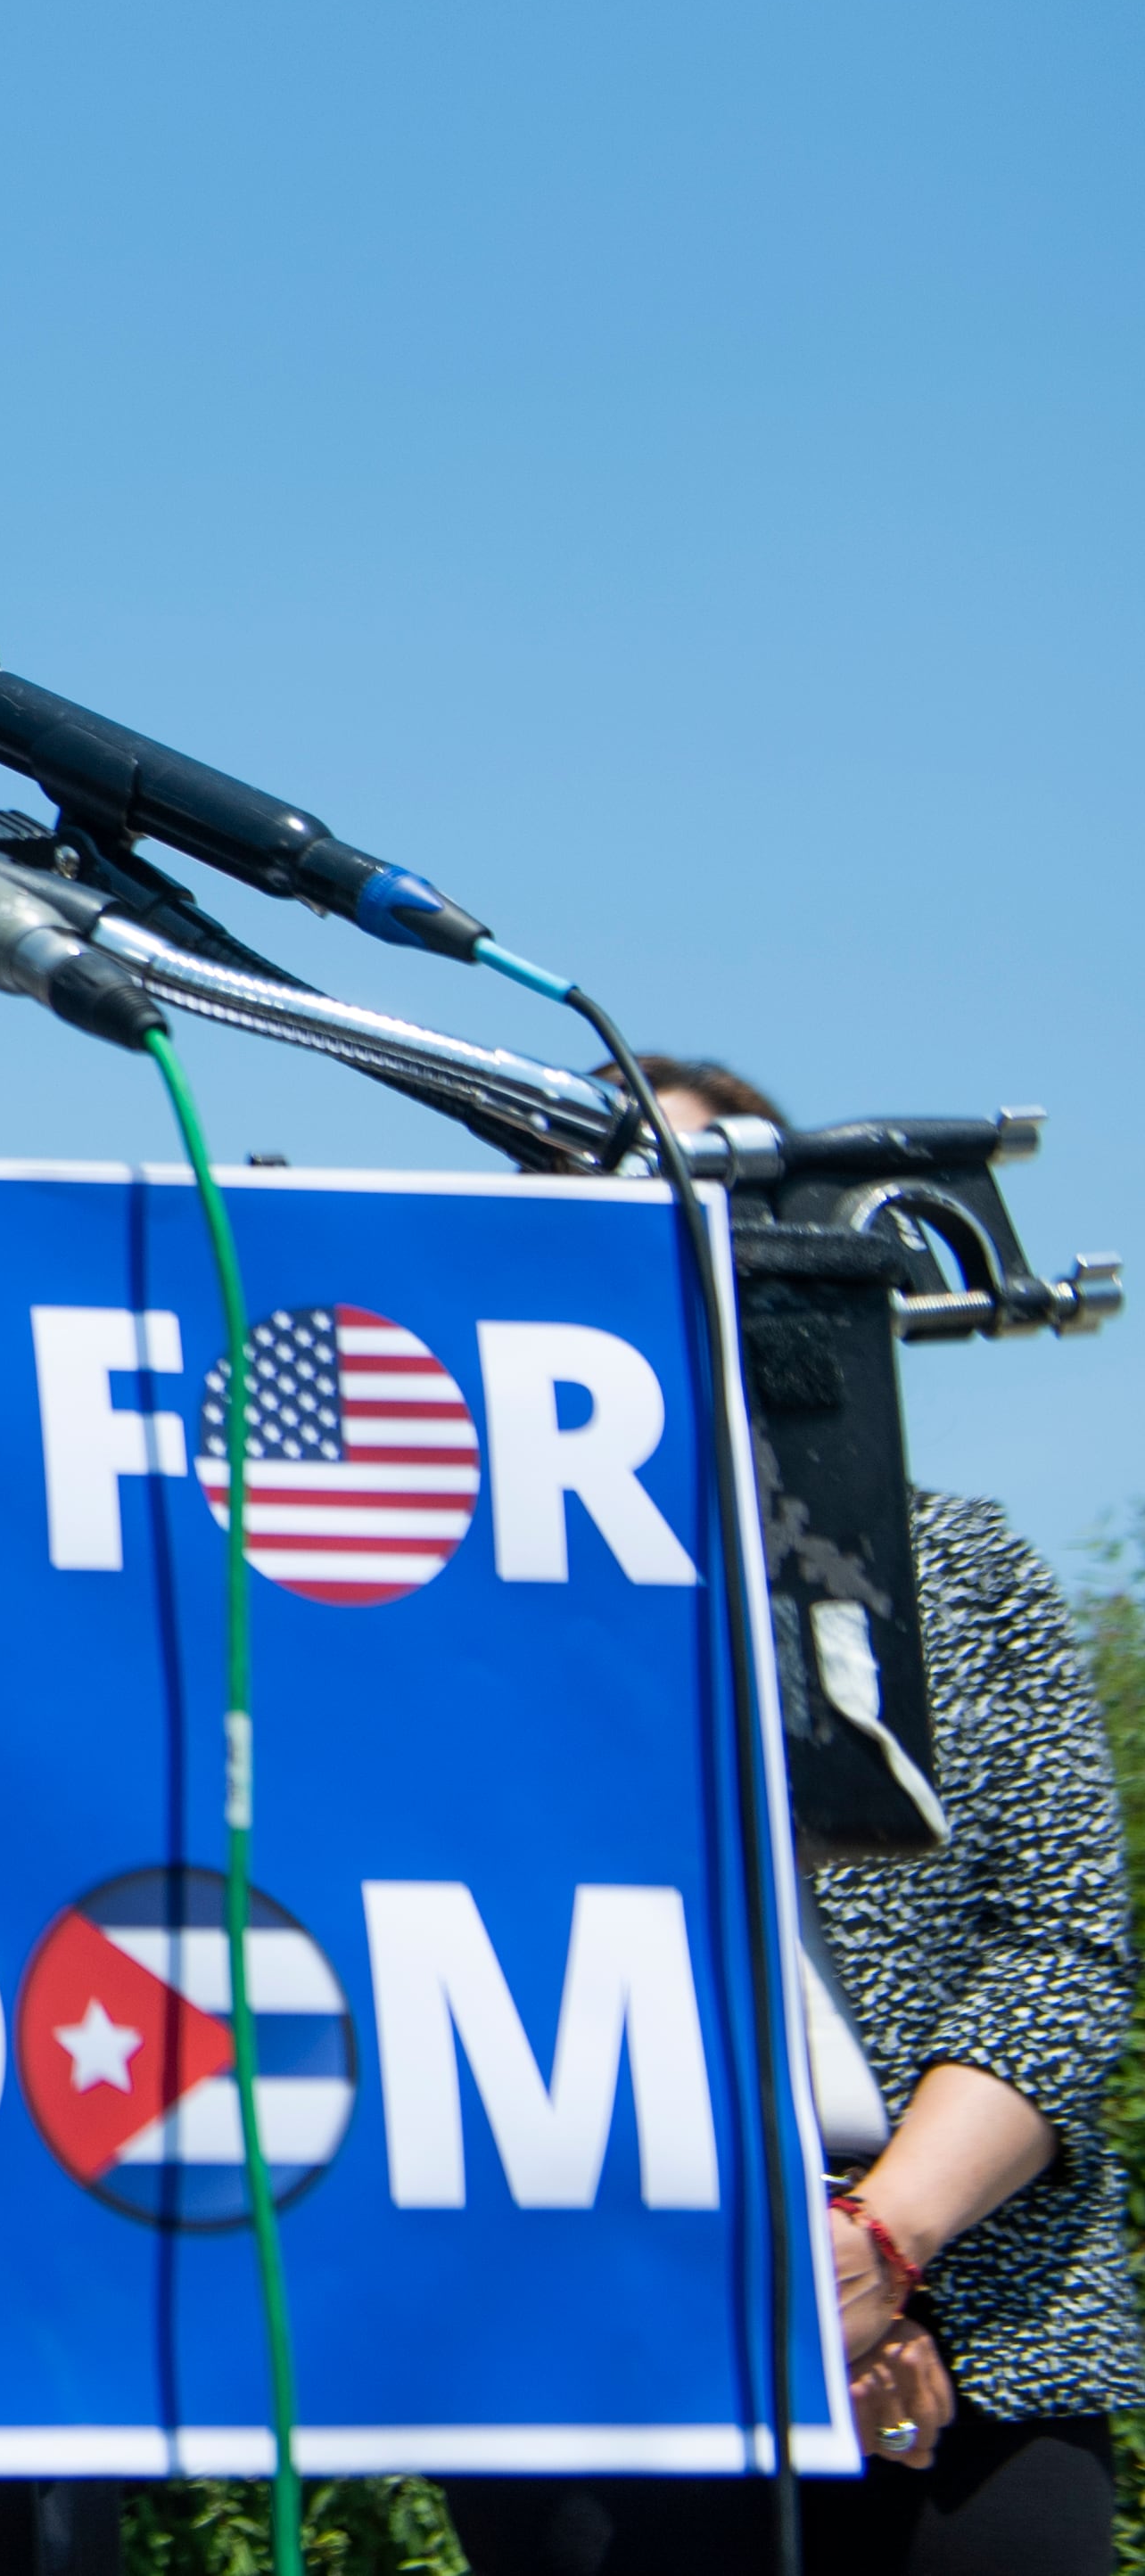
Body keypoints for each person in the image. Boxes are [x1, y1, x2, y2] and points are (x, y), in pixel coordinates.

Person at [442, 1058, 1141, 2576]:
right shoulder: (456, 1600)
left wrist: (882, 2247)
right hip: (602, 2351)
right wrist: (765, 2273)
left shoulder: (961, 1568)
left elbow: (1066, 1946)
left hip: (984, 2348)